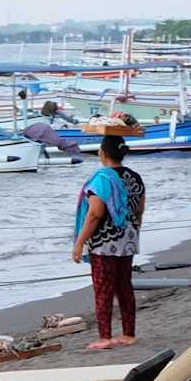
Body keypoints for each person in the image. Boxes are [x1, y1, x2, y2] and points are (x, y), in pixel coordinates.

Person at [69, 134, 147, 350]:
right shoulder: (135, 177)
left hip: (105, 241)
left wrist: (79, 243)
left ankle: (105, 337)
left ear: (102, 153)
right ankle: (129, 334)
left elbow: (95, 213)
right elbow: (139, 209)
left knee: (103, 288)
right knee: (124, 286)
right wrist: (133, 232)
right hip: (128, 238)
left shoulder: (102, 179)